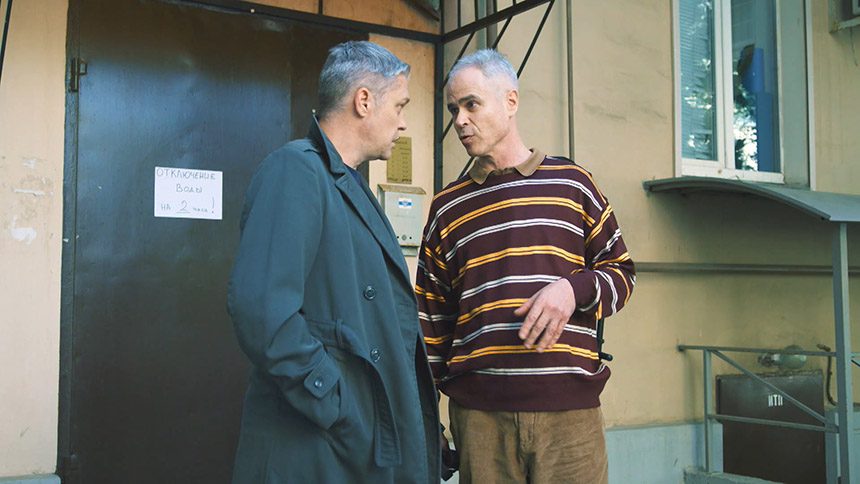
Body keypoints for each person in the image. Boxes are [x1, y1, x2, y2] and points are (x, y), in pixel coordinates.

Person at [416, 49, 635, 484]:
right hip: (479, 422)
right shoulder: (447, 207)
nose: (460, 120)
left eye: (471, 104)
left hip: (570, 418)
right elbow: (430, 322)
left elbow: (621, 273)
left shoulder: (573, 184)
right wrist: (428, 420)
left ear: (510, 101)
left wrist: (573, 289)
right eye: (453, 109)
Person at [227, 40, 441, 484]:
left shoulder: (346, 183)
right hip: (317, 448)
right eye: (399, 105)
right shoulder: (295, 170)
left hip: (350, 445)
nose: (403, 122)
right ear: (363, 101)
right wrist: (339, 405)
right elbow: (261, 311)